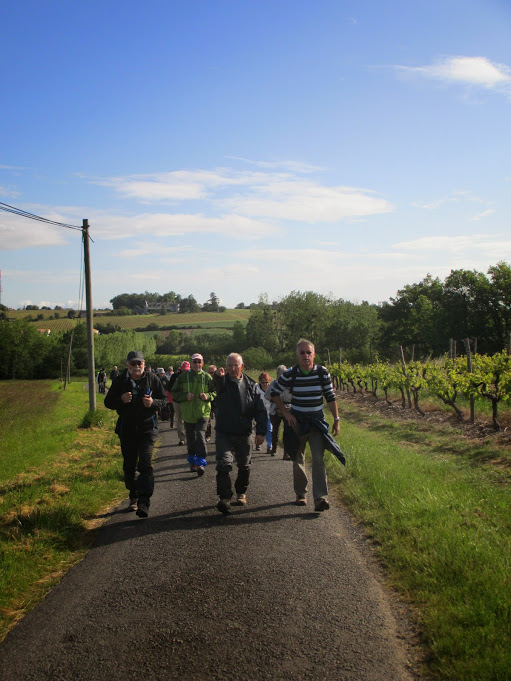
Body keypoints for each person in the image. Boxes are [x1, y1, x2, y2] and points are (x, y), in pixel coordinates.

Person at [270, 339, 340, 512]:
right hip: (298, 423)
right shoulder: (291, 374)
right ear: (297, 355)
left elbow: (330, 397)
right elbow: (274, 392)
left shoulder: (322, 372)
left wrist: (336, 419)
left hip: (316, 422)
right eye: (302, 353)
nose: (306, 356)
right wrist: (286, 413)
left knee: (318, 459)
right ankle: (301, 494)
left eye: (309, 352)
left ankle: (320, 498)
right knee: (298, 458)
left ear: (314, 354)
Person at [104, 350, 168, 518]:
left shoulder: (152, 379)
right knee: (129, 467)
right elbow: (108, 402)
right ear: (127, 365)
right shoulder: (120, 381)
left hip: (148, 429)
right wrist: (121, 400)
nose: (137, 367)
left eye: (139, 363)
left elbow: (164, 400)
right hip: (127, 430)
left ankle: (144, 501)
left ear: (144, 364)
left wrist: (153, 403)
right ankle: (133, 495)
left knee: (145, 464)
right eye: (133, 364)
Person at [212, 353, 267, 514]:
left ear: (242, 366)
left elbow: (260, 410)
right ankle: (225, 498)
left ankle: (241, 491)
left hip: (244, 431)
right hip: (224, 431)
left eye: (236, 365)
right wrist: (217, 376)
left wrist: (261, 431)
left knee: (244, 465)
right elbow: (215, 385)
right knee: (223, 464)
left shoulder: (252, 385)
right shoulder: (222, 382)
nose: (232, 368)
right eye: (229, 365)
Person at [172, 353, 216, 476]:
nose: (197, 364)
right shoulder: (182, 377)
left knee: (200, 435)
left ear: (202, 363)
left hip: (203, 412)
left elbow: (215, 391)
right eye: (194, 362)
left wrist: (207, 396)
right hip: (188, 414)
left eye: (199, 361)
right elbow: (174, 392)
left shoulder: (207, 377)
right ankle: (192, 462)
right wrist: (184, 397)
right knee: (190, 439)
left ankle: (201, 462)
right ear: (191, 363)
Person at [265, 365, 292, 459]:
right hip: (275, 409)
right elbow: (267, 395)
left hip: (288, 409)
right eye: (280, 374)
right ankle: (274, 449)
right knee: (275, 430)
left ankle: (286, 453)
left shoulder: (290, 384)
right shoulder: (274, 384)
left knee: (287, 432)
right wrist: (275, 399)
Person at [169, 361, 190, 445]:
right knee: (179, 419)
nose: (185, 371)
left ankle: (190, 437)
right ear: (181, 368)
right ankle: (182, 438)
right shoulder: (175, 376)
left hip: (188, 401)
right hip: (177, 401)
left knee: (189, 419)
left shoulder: (191, 376)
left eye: (187, 370)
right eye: (184, 369)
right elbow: (170, 388)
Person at [255, 372, 272, 454]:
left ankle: (269, 446)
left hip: (269, 413)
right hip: (259, 413)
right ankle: (258, 443)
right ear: (260, 382)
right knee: (259, 428)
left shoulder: (272, 389)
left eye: (267, 382)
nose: (265, 384)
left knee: (269, 429)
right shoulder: (256, 389)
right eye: (263, 382)